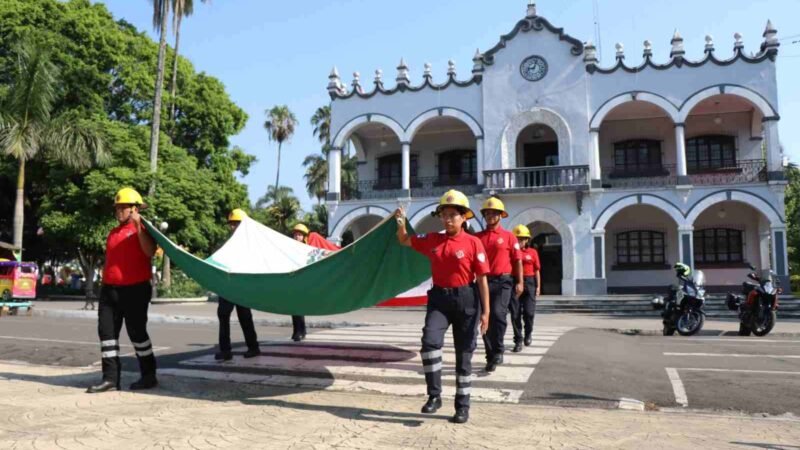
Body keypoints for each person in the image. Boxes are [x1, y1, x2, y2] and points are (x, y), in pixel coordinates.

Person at [395, 189, 490, 425]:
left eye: (452, 215)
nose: (447, 220)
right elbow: (404, 240)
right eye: (444, 215)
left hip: (466, 300)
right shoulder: (433, 240)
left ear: (464, 217)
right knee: (429, 342)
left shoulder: (474, 243)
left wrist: (486, 312)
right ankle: (434, 396)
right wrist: (400, 223)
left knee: (464, 355)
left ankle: (462, 406)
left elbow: (482, 280)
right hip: (439, 300)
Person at [87, 188, 159, 393]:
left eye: (123, 208)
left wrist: (138, 224)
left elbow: (149, 252)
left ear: (135, 209)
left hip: (136, 290)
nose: (119, 211)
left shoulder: (143, 230)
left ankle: (149, 376)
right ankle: (110, 379)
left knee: (137, 334)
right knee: (107, 334)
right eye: (117, 208)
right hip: (110, 291)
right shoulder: (113, 232)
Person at [474, 197, 523, 373]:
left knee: (498, 314)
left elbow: (517, 260)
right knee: (485, 318)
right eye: (487, 213)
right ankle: (490, 356)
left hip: (503, 281)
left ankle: (499, 348)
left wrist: (520, 282)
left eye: (494, 213)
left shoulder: (509, 237)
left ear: (501, 215)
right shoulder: (477, 238)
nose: (490, 216)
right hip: (483, 282)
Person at [215, 209, 261, 361]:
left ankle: (253, 347)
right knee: (223, 315)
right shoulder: (229, 243)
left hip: (241, 286)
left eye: (236, 224)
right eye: (231, 224)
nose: (232, 227)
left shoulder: (250, 244)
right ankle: (225, 351)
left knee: (245, 317)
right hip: (227, 285)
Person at [509, 224, 541, 350]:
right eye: (517, 239)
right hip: (514, 282)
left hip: (530, 282)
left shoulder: (533, 252)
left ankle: (528, 333)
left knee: (529, 313)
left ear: (527, 240)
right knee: (515, 314)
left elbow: (537, 270)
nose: (520, 241)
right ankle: (518, 340)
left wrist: (538, 286)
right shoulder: (511, 252)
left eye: (522, 239)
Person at [289, 224, 310, 341]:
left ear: (304, 237)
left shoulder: (307, 250)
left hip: (302, 281)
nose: (297, 237)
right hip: (293, 280)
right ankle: (296, 330)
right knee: (293, 307)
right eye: (296, 234)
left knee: (299, 307)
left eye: (300, 235)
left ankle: (301, 331)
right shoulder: (290, 248)